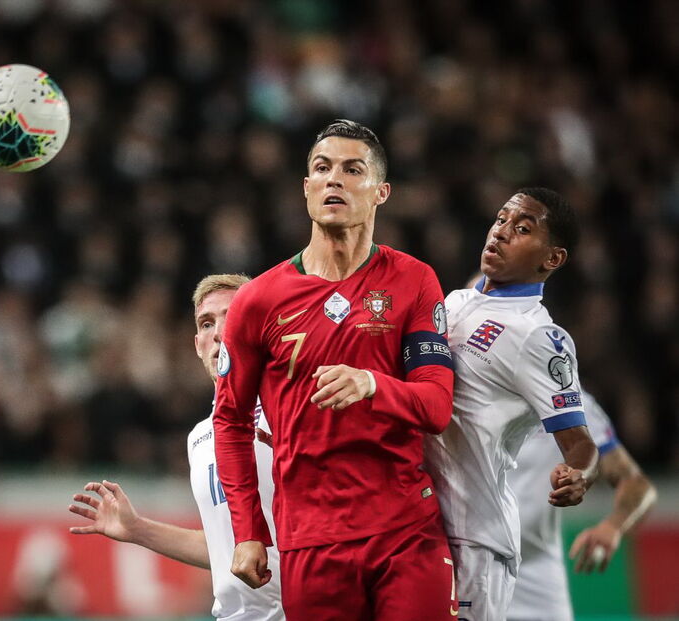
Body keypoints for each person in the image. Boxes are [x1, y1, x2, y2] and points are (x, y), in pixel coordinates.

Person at [212, 119, 458, 620]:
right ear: (306, 189)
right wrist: (248, 533)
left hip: (406, 531)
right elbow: (230, 420)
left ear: (380, 192)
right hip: (311, 539)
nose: (334, 180)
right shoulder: (258, 301)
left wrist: (373, 384)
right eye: (322, 169)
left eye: (352, 170)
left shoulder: (414, 281)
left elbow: (436, 406)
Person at [424, 187, 600, 621]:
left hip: (474, 537)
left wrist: (580, 475)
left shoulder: (539, 337)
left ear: (552, 259)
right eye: (501, 219)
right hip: (419, 521)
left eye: (522, 229)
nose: (500, 233)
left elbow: (580, 443)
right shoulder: (456, 302)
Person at [67, 274, 284, 620]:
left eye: (233, 316)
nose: (220, 332)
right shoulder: (199, 437)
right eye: (207, 323)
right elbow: (223, 546)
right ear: (197, 344)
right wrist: (138, 529)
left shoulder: (293, 411)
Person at [508, 391, 657, 621]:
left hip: (538, 575)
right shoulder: (472, 386)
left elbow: (636, 483)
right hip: (470, 562)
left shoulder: (573, 404)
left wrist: (614, 526)